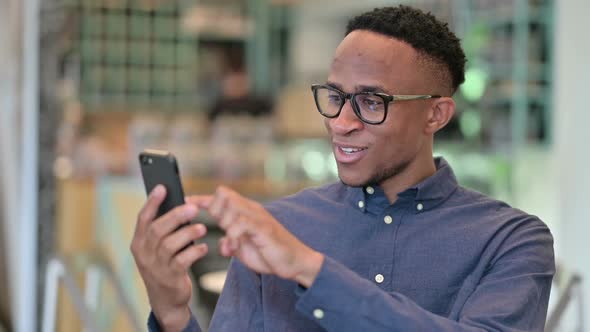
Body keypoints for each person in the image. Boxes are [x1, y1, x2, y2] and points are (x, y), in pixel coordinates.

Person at [131, 5, 555, 331]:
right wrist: (172, 314)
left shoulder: (511, 241)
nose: (341, 123)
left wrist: (308, 269)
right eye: (335, 97)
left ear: (436, 115)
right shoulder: (275, 227)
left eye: (372, 102)